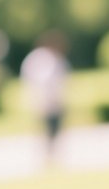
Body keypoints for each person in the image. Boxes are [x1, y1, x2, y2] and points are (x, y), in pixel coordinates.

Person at [20, 30, 71, 163]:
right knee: (46, 130)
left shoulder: (57, 59)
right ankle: (46, 155)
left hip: (54, 102)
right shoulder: (42, 59)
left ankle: (51, 154)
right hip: (45, 102)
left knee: (54, 130)